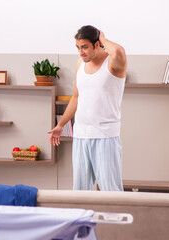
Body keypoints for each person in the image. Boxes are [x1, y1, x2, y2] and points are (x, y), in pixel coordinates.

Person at [48, 25, 127, 191]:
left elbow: (119, 51)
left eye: (84, 47)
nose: (80, 52)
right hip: (81, 136)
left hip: (105, 137)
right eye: (78, 47)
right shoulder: (80, 64)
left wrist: (103, 37)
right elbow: (76, 97)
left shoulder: (113, 63)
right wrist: (61, 124)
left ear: (97, 45)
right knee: (79, 191)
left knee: (111, 191)